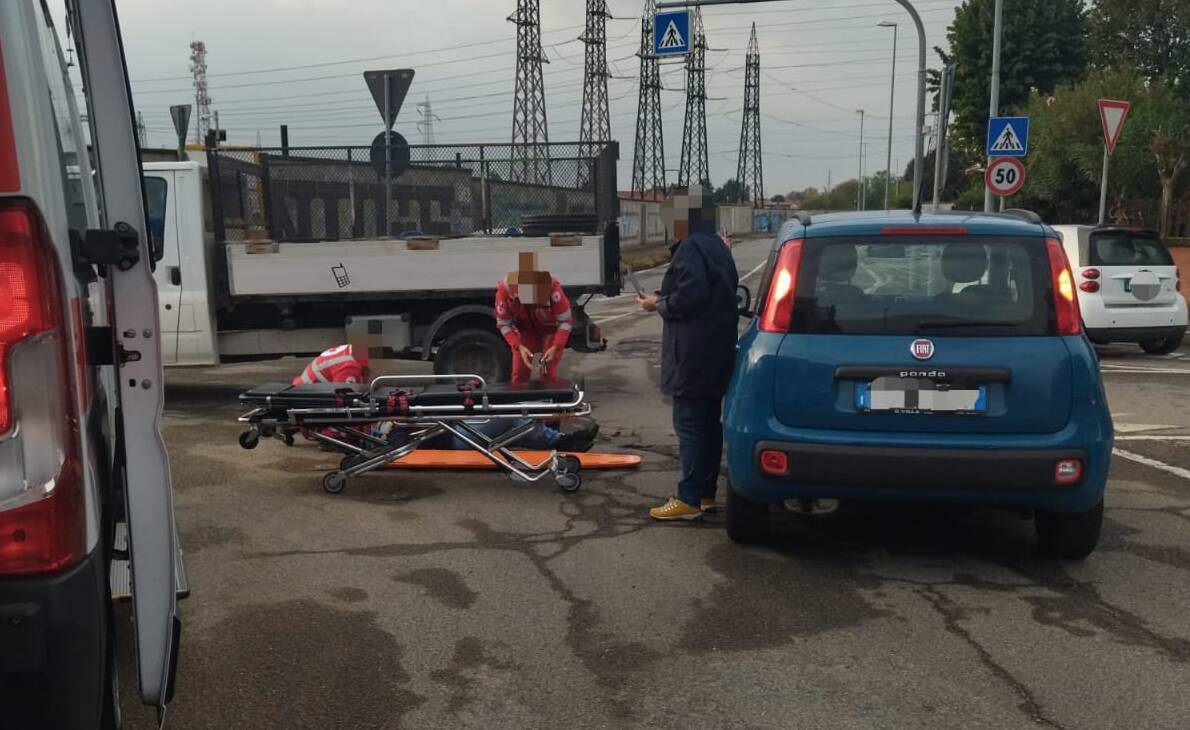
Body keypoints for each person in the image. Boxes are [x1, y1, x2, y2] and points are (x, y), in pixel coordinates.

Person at [637, 188, 740, 521]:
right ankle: (706, 494)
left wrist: (659, 303)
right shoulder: (717, 246)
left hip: (692, 350)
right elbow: (706, 289)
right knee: (709, 424)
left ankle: (688, 498)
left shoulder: (691, 245)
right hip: (717, 348)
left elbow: (691, 297)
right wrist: (667, 293)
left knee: (690, 425)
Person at [495, 252, 574, 383]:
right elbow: (504, 324)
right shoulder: (505, 291)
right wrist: (518, 345)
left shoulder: (553, 288)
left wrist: (556, 346)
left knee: (548, 371)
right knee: (519, 373)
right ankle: (518, 400)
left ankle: (550, 399)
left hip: (550, 330)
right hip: (525, 330)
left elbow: (565, 321)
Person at [293, 343, 369, 386]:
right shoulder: (349, 367)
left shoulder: (353, 349)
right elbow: (345, 398)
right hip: (306, 397)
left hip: (306, 387)